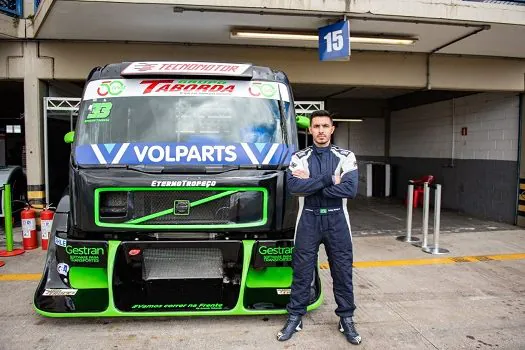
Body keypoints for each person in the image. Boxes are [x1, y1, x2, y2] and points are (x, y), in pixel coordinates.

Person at [277, 110, 361, 345]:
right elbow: (294, 187)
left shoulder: (346, 155)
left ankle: (346, 318)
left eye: (325, 126)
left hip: (337, 220)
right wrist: (329, 179)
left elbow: (350, 190)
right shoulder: (299, 156)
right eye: (317, 126)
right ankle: (295, 316)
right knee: (302, 272)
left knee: (342, 271)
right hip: (308, 220)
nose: (321, 130)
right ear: (310, 129)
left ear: (332, 129)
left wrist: (311, 182)